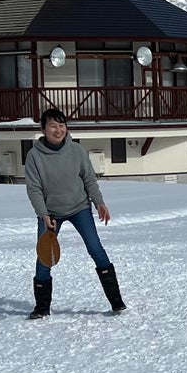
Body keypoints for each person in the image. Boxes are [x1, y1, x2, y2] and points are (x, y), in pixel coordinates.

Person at [23, 108, 125, 318]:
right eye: (53, 125)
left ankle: (116, 302)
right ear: (43, 129)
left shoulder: (76, 150)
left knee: (96, 248)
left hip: (79, 207)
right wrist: (43, 213)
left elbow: (88, 178)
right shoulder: (34, 156)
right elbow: (34, 188)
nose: (58, 130)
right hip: (50, 213)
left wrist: (99, 203)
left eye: (61, 125)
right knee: (44, 257)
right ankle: (41, 308)